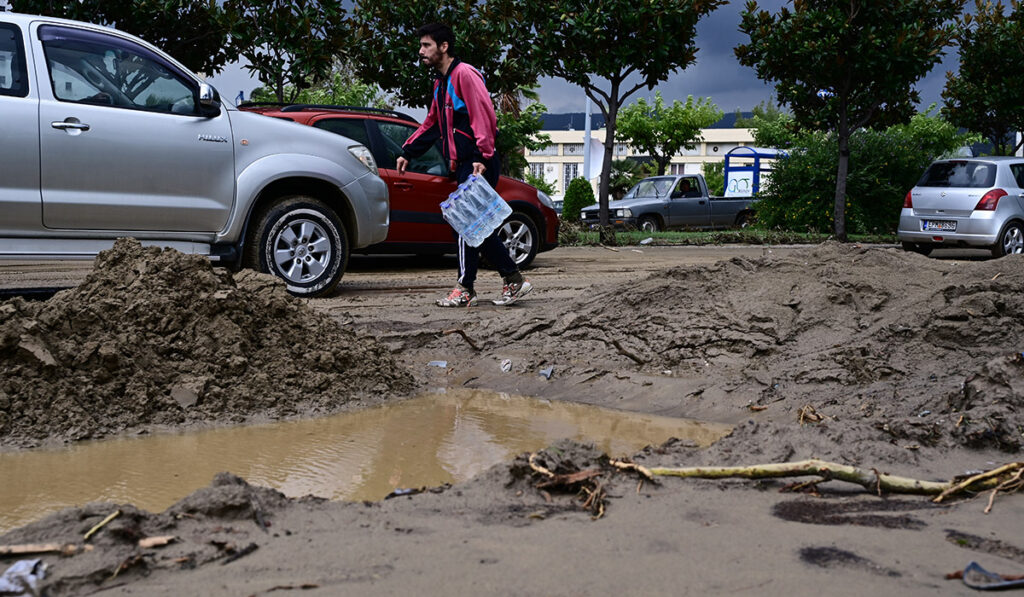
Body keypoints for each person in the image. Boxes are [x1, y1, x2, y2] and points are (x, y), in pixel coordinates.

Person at [396, 23, 532, 308]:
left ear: (444, 47)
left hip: (477, 163)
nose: (420, 51)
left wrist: (481, 157)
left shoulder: (464, 75)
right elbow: (432, 123)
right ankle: (509, 278)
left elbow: (484, 117)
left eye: (426, 45)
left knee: (467, 224)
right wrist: (408, 150)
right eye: (421, 45)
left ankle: (468, 286)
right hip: (465, 164)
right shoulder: (440, 83)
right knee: (474, 226)